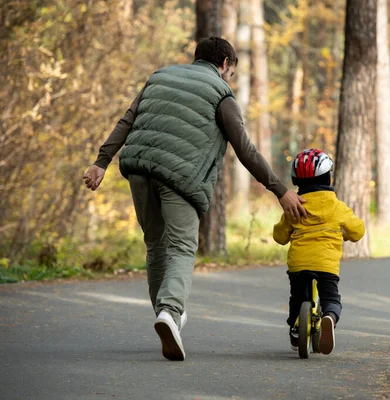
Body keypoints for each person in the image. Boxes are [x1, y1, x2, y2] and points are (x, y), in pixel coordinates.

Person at [83, 37, 307, 361]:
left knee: (155, 246)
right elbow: (246, 150)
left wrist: (100, 162)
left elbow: (127, 120)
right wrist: (279, 189)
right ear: (226, 64)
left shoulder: (159, 76)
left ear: (197, 57)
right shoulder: (221, 93)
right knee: (182, 247)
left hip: (138, 171)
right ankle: (171, 314)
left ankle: (165, 314)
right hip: (180, 177)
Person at [273, 149, 365, 355]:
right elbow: (357, 231)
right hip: (326, 264)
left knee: (296, 298)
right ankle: (329, 318)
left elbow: (280, 237)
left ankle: (296, 327)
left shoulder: (294, 206)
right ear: (328, 176)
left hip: (299, 263)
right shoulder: (337, 207)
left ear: (296, 179)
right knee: (331, 299)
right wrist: (347, 235)